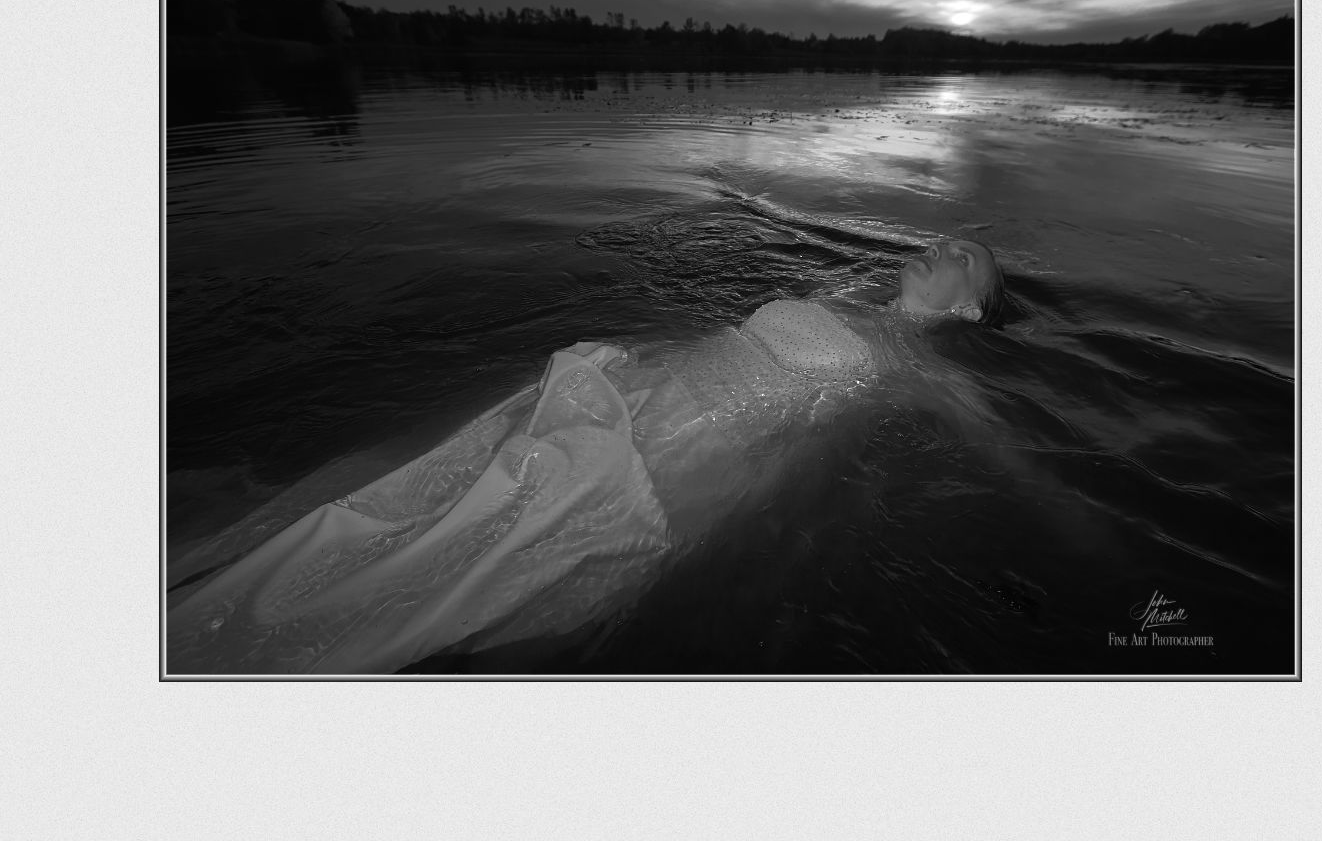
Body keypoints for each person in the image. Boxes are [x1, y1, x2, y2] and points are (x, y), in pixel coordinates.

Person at [166, 238, 1006, 675]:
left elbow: (1012, 459)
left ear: (970, 311)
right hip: (639, 390)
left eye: (963, 255)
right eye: (942, 238)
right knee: (423, 494)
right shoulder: (838, 297)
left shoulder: (919, 370)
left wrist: (1110, 557)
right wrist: (636, 355)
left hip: (692, 447)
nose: (941, 246)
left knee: (494, 558)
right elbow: (731, 339)